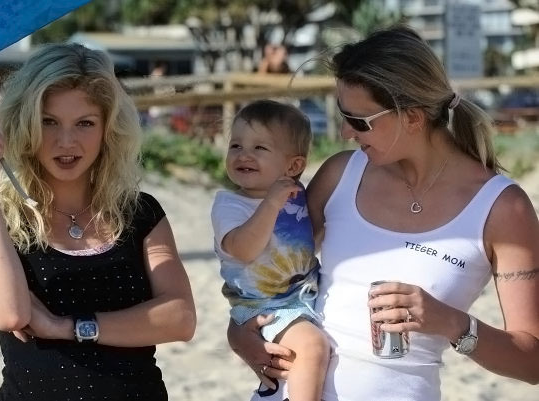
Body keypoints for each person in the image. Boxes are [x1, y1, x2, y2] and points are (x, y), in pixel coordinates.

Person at [228, 26, 539, 400]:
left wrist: (453, 323)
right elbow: (260, 273)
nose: (345, 132)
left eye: (359, 121)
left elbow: (533, 362)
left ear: (413, 117)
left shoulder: (502, 207)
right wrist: (239, 333)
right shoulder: (340, 175)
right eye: (343, 115)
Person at [0, 43, 196, 401]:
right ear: (25, 123)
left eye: (85, 123)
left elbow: (181, 318)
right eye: (48, 121)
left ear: (108, 129)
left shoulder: (139, 213)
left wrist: (66, 327)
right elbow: (9, 313)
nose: (66, 141)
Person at [212, 100, 330, 401]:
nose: (244, 155)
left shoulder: (297, 197)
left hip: (302, 296)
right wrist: (271, 204)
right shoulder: (230, 205)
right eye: (236, 145)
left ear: (293, 167)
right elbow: (242, 250)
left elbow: (305, 243)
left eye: (259, 148)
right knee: (312, 346)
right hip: (262, 307)